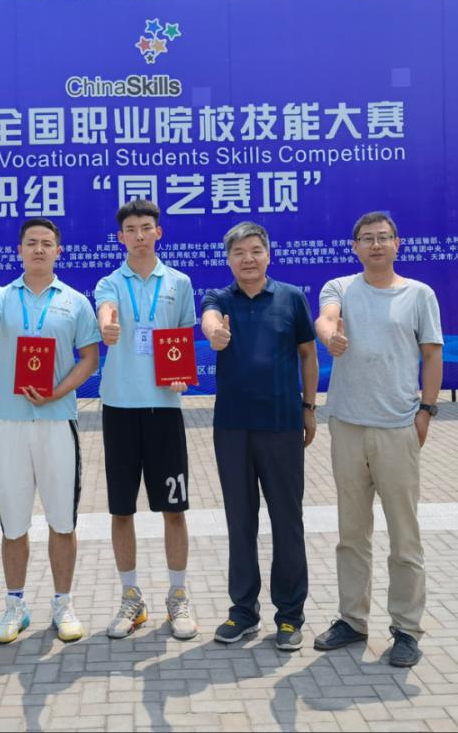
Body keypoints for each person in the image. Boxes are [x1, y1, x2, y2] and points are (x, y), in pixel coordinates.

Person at [313, 211, 443, 668]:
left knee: (404, 536)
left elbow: (432, 355)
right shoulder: (340, 287)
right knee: (352, 534)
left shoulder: (419, 295)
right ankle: (353, 619)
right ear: (354, 247)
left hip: (397, 427)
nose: (375, 245)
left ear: (397, 243)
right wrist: (330, 337)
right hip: (348, 426)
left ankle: (406, 629)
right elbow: (326, 318)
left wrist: (426, 410)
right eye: (366, 239)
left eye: (383, 237)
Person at [0, 218, 100, 644]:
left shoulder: (75, 301)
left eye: (46, 243)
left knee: (63, 520)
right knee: (13, 523)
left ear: (59, 250)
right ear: (19, 250)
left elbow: (90, 358)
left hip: (58, 423)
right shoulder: (1, 296)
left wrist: (58, 391)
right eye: (31, 243)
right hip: (11, 424)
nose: (39, 249)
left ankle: (63, 603)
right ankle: (15, 606)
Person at [200, 221, 318, 651]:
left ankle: (289, 616)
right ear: (228, 259)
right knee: (240, 521)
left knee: (287, 520)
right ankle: (243, 612)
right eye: (238, 253)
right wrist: (215, 333)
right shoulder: (219, 299)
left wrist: (309, 407)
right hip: (233, 427)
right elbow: (209, 320)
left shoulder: (291, 297)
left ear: (268, 254)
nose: (247, 259)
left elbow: (308, 353)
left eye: (255, 251)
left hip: (282, 424)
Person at [95, 199, 199, 640]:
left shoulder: (179, 282)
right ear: (121, 237)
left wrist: (182, 375)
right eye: (131, 230)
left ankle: (178, 596)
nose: (139, 235)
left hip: (164, 410)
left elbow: (183, 337)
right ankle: (131, 598)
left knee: (174, 509)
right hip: (120, 409)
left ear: (159, 232)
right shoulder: (109, 283)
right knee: (122, 510)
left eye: (146, 228)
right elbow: (106, 312)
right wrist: (108, 326)